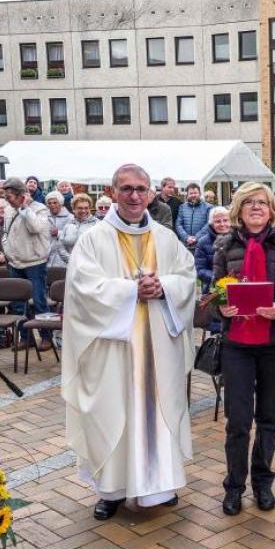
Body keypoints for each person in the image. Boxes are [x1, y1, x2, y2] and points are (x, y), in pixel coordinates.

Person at [61, 163, 196, 521]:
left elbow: (187, 277)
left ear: (151, 193)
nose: (135, 196)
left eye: (141, 189)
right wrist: (130, 291)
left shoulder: (167, 239)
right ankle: (112, 490)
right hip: (113, 351)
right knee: (112, 411)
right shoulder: (93, 240)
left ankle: (158, 486)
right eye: (127, 189)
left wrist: (164, 286)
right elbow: (82, 290)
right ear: (112, 192)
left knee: (157, 411)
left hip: (157, 350)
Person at [213, 182, 275, 515]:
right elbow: (213, 295)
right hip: (237, 343)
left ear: (271, 209)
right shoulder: (223, 246)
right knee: (237, 421)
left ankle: (263, 483)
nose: (255, 207)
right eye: (249, 202)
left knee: (269, 418)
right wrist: (220, 308)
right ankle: (234, 486)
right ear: (238, 207)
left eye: (262, 203)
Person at [3, 178, 52, 351]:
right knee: (18, 304)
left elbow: (36, 228)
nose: (6, 199)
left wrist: (25, 208)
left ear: (20, 195)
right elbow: (7, 232)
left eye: (9, 196)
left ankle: (46, 337)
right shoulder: (9, 210)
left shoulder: (40, 209)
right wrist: (6, 249)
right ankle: (26, 338)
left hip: (34, 263)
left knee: (39, 302)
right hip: (14, 262)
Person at [195, 207, 231, 293]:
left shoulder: (238, 239)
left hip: (237, 286)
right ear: (211, 224)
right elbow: (200, 270)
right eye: (218, 221)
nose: (222, 224)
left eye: (225, 220)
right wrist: (220, 279)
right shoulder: (202, 242)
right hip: (213, 290)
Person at [60, 193, 99, 259]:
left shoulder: (97, 225)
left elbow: (100, 248)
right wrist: (71, 260)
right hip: (70, 266)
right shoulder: (68, 225)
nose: (83, 211)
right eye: (80, 208)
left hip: (90, 266)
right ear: (74, 209)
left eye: (86, 208)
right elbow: (60, 246)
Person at [175, 182, 211, 250]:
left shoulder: (208, 207)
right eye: (191, 193)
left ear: (200, 194)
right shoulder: (182, 207)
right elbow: (178, 224)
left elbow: (209, 224)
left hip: (202, 245)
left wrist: (196, 238)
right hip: (185, 245)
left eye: (195, 193)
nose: (193, 195)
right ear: (187, 195)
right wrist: (186, 237)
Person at [45, 191, 71, 268]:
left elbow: (72, 237)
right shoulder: (43, 217)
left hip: (64, 259)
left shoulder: (70, 218)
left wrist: (59, 233)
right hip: (46, 258)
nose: (52, 205)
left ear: (61, 203)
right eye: (49, 203)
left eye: (55, 202)